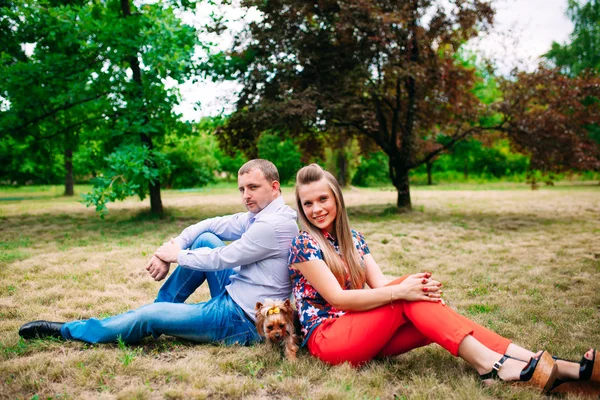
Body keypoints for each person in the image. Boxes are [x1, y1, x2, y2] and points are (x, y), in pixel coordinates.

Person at [287, 163, 598, 394]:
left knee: (427, 306)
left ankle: (548, 365)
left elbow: (380, 285)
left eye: (323, 199)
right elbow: (338, 299)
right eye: (308, 203)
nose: (317, 209)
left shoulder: (354, 239)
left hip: (363, 332)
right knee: (408, 296)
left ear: (337, 199)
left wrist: (415, 287)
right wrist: (406, 290)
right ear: (301, 208)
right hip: (329, 339)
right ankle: (491, 366)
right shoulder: (305, 244)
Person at [19, 159, 298, 346]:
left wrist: (176, 255)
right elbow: (209, 225)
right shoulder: (262, 213)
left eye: (253, 187)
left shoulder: (272, 225)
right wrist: (170, 249)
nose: (246, 195)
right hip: (237, 294)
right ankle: (162, 311)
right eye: (241, 189)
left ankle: (69, 331)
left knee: (151, 314)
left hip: (243, 320)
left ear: (274, 188)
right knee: (205, 238)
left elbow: (222, 259)